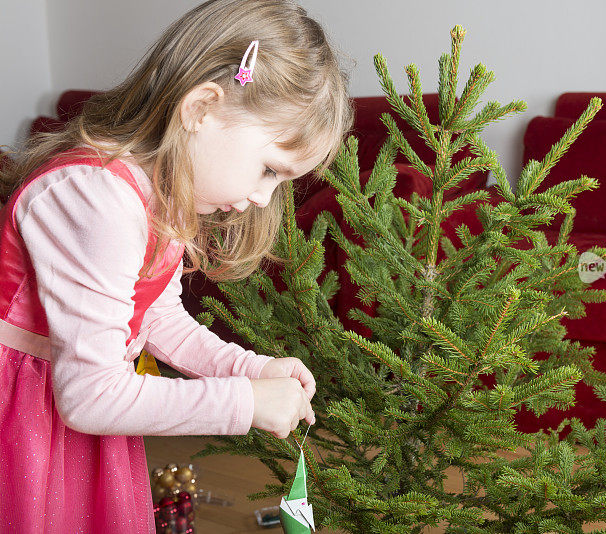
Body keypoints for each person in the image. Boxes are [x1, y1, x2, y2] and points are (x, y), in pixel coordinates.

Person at [0, 0, 353, 531]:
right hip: (20, 419)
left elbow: (158, 321)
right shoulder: (96, 199)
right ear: (201, 109)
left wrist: (249, 370)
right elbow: (91, 395)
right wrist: (242, 404)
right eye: (267, 170)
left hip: (61, 421)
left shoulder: (159, 197)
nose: (264, 198)